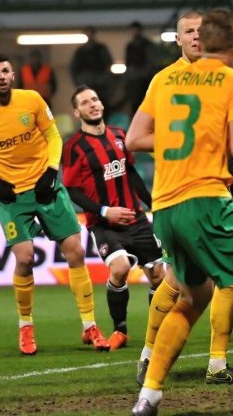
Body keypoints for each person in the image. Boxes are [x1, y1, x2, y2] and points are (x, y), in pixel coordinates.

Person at [126, 9, 233, 416]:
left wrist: (184, 140)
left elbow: (133, 138)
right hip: (207, 203)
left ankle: (149, 395)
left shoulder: (164, 80)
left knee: (193, 297)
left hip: (166, 207)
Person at [0, 55, 110, 355]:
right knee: (25, 258)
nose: (1, 76)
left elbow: (53, 135)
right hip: (12, 196)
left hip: (47, 187)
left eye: (5, 70)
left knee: (76, 252)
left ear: (13, 74)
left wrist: (52, 171)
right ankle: (25, 326)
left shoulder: (32, 100)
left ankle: (90, 325)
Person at [134, 9, 233, 387]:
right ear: (178, 40)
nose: (196, 36)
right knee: (188, 281)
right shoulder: (166, 80)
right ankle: (158, 356)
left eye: (201, 31)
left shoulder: (221, 77)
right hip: (185, 192)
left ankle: (205, 362)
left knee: (196, 280)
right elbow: (137, 139)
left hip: (210, 190)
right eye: (188, 31)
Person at [63, 85, 164, 350]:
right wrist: (104, 211)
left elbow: (130, 173)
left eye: (95, 99)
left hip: (136, 217)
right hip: (104, 223)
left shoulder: (119, 135)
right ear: (77, 112)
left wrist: (154, 204)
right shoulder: (74, 147)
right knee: (119, 269)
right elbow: (71, 189)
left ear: (102, 104)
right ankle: (120, 330)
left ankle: (157, 331)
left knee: (158, 275)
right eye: (85, 103)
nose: (92, 104)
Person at [69, 26, 113, 113]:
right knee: (87, 107)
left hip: (100, 84)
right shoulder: (81, 51)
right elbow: (73, 68)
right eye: (87, 33)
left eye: (91, 33)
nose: (89, 35)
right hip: (87, 83)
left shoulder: (101, 49)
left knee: (101, 106)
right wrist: (78, 81)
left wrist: (105, 79)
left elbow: (108, 64)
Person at [124, 21, 154, 115]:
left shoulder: (146, 44)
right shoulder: (130, 46)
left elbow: (150, 60)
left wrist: (146, 73)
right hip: (133, 77)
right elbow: (128, 62)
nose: (134, 32)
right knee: (134, 102)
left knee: (144, 100)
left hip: (144, 77)